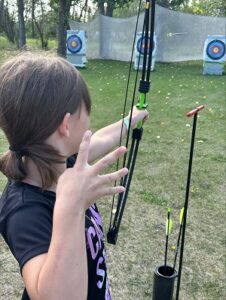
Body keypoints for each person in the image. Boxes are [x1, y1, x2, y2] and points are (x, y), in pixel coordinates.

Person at [0, 54, 149, 300]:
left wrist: (129, 120)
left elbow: (101, 139)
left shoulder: (64, 160)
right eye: (87, 111)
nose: (90, 119)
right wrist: (72, 208)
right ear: (66, 125)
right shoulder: (23, 210)